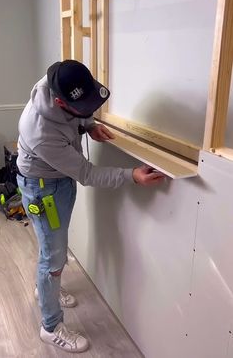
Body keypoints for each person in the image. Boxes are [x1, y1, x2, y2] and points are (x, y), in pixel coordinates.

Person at [17, 59, 164, 353]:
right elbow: (86, 173)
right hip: (43, 189)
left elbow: (77, 116)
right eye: (83, 109)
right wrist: (131, 176)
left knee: (52, 250)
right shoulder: (40, 130)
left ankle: (45, 290)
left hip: (57, 182)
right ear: (59, 102)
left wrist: (89, 125)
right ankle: (50, 326)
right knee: (53, 257)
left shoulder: (55, 80)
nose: (89, 111)